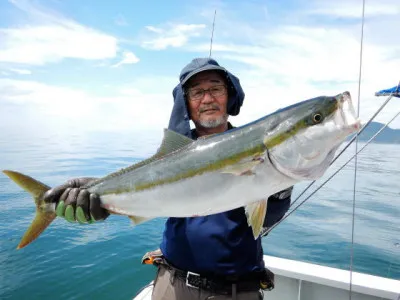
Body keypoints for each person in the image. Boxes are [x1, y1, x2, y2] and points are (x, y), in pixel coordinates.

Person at [43, 58, 292, 300]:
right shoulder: (172, 157)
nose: (207, 99)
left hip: (238, 291)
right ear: (185, 104)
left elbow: (268, 217)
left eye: (216, 88)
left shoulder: (257, 145)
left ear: (230, 95)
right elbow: (145, 190)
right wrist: (96, 195)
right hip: (172, 287)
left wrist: (279, 180)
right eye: (197, 92)